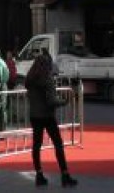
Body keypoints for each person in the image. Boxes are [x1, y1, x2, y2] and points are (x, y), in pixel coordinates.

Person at [25, 54, 77, 187]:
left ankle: (39, 174)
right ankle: (65, 174)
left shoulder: (29, 79)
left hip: (34, 115)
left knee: (36, 145)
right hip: (47, 116)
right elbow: (51, 101)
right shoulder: (47, 79)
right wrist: (64, 101)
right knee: (58, 144)